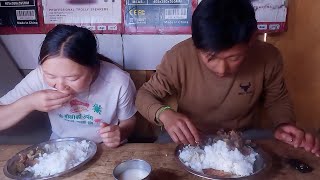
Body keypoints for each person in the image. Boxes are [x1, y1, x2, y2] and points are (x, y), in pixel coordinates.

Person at [135, 0, 320, 156]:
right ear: (196, 45)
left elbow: (277, 99)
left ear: (252, 39)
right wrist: (165, 114)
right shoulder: (178, 57)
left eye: (234, 58)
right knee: (160, 149)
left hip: (245, 137)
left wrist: (284, 124)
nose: (222, 69)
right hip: (193, 137)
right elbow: (144, 95)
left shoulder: (269, 57)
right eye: (211, 58)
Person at [0, 24, 137, 148]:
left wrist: (120, 133)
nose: (60, 86)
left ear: (94, 67)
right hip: (62, 148)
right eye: (51, 76)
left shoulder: (118, 82)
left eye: (72, 78)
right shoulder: (39, 76)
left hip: (106, 147)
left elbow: (129, 120)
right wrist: (30, 102)